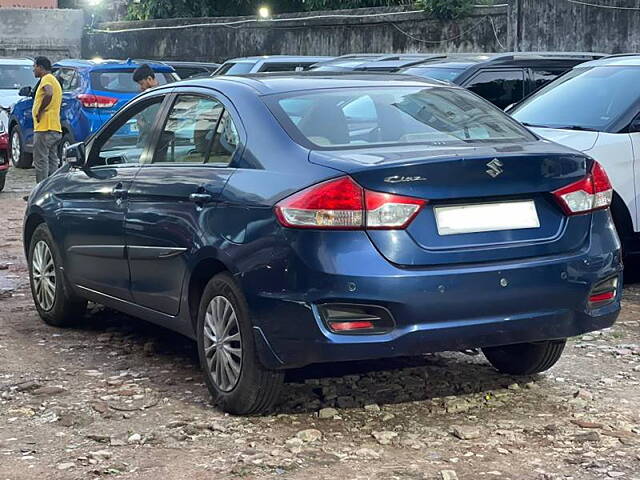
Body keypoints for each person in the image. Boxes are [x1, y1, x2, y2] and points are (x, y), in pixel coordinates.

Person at [32, 56, 62, 184]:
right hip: (55, 127)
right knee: (52, 159)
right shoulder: (55, 80)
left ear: (41, 67)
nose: (33, 70)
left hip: (45, 127)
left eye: (35, 67)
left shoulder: (47, 79)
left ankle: (40, 192)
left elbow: (48, 93)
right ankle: (52, 188)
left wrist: (39, 110)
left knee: (41, 160)